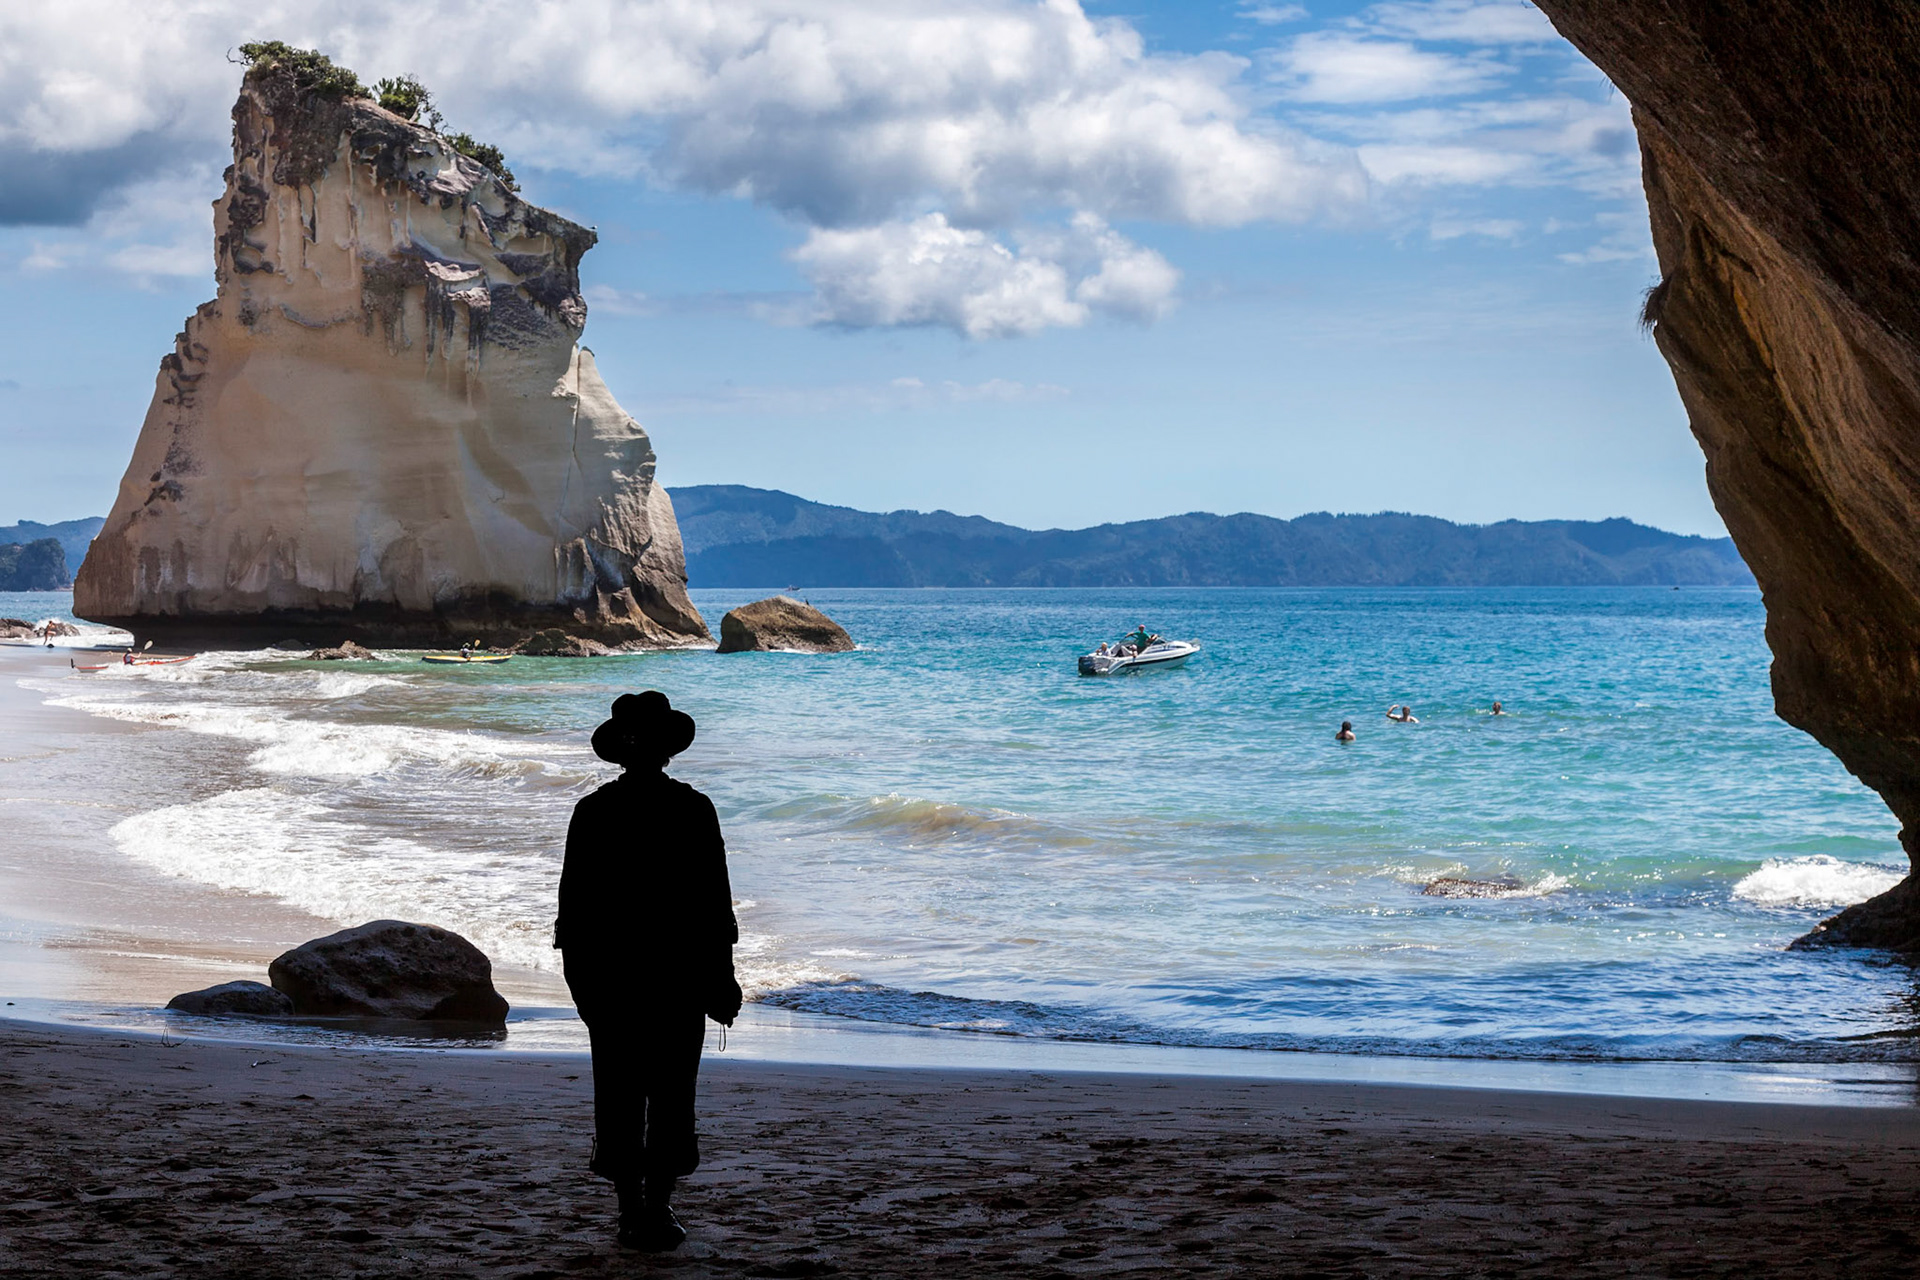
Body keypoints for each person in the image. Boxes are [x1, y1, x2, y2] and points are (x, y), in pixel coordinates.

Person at [556, 691, 742, 1252]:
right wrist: (722, 977)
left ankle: (631, 1211)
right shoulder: (694, 808)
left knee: (618, 1092)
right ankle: (656, 1210)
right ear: (668, 750)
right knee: (671, 1093)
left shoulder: (593, 810)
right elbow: (716, 905)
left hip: (611, 976)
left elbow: (573, 907)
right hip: (678, 976)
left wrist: (579, 981)